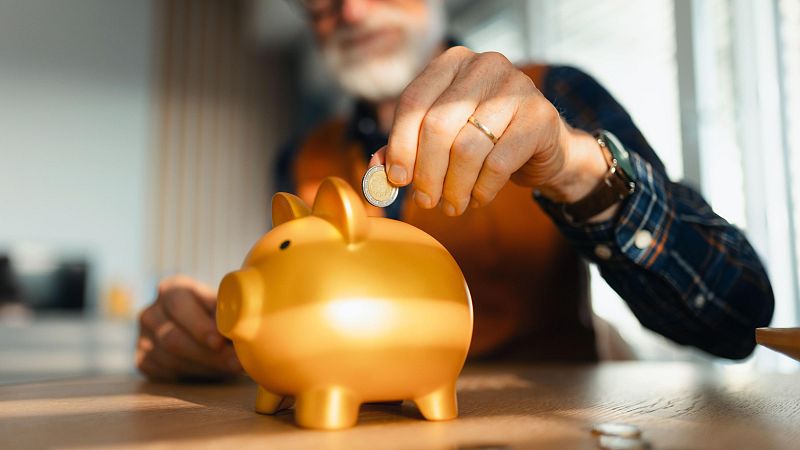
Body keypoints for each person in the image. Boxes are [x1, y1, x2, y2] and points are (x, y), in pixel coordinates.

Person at [136, 0, 774, 381]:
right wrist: (225, 342)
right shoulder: (301, 156)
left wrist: (575, 166)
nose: (350, 11)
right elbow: (305, 328)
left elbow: (739, 315)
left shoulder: (559, 95)